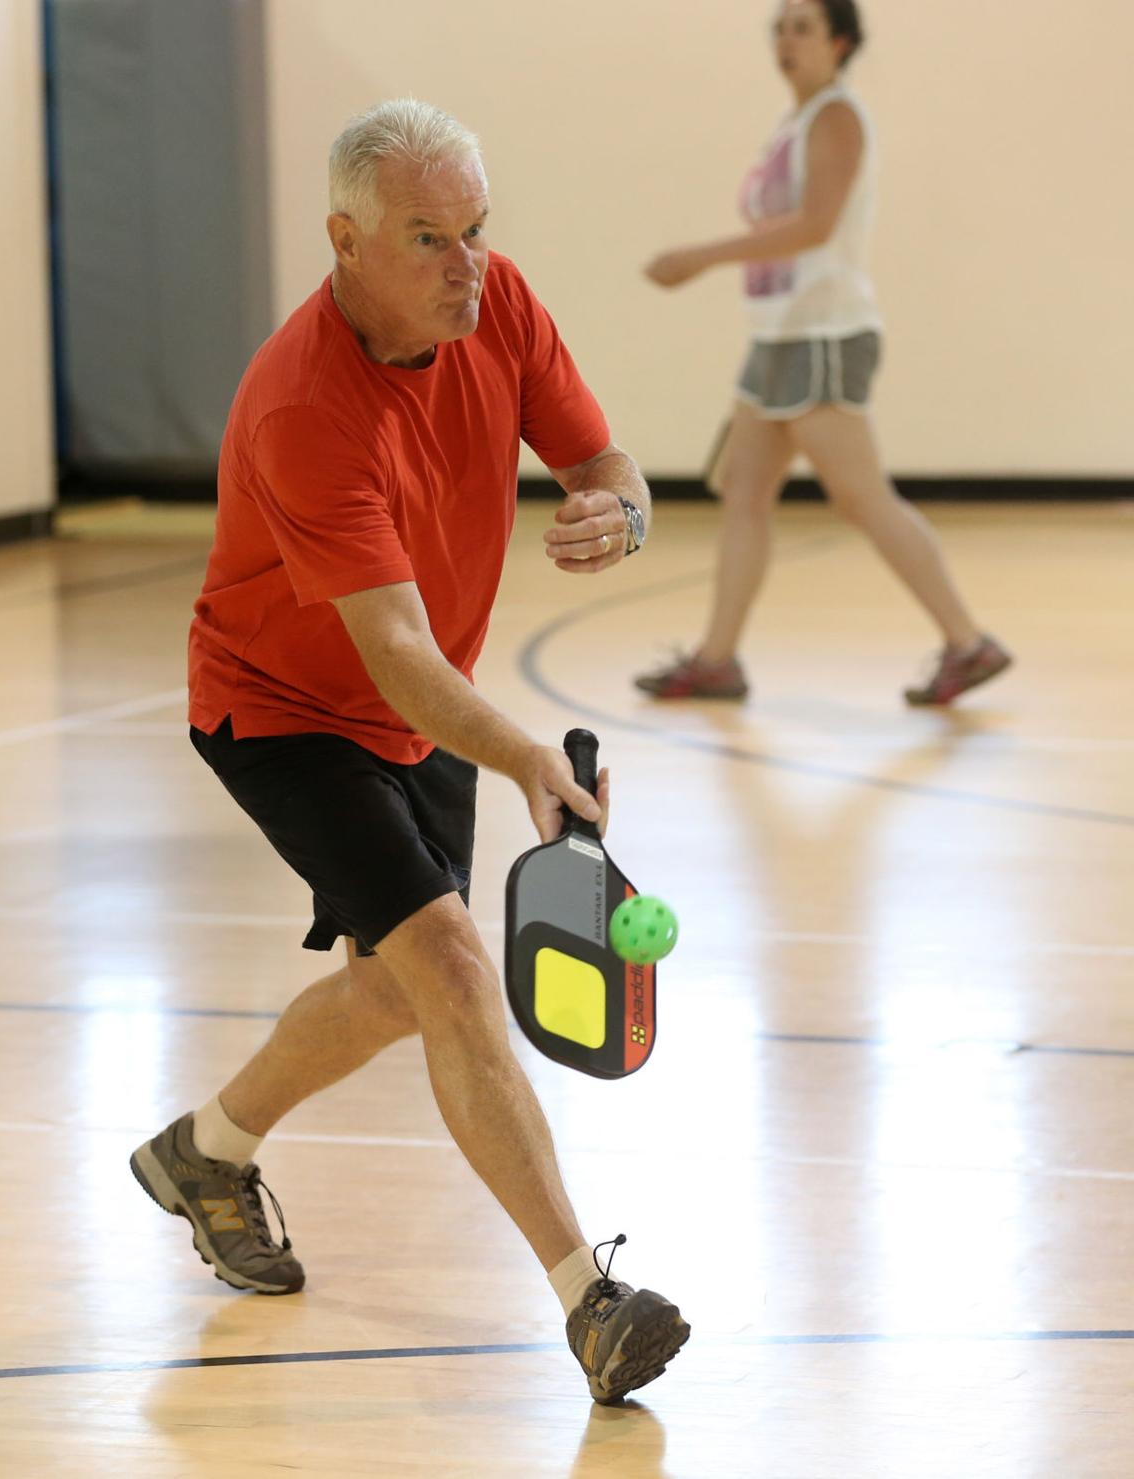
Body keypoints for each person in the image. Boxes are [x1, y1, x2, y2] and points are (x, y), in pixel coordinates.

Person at [128, 99, 687, 1406]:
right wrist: (524, 755)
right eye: (430, 238)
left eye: (478, 230)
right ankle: (589, 1300)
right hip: (280, 711)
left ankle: (207, 1150)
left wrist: (624, 510)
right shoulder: (302, 404)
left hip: (418, 706)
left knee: (398, 986)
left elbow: (608, 458)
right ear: (345, 241)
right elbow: (390, 650)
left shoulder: (499, 308)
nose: (466, 265)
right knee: (445, 962)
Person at [636, 0, 1013, 706]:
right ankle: (716, 661)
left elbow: (814, 227)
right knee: (745, 492)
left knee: (862, 497)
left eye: (803, 27)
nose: (785, 39)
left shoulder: (838, 116)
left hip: (826, 336)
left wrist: (701, 256)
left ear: (839, 42)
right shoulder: (795, 122)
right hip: (778, 335)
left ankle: (967, 641)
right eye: (779, 26)